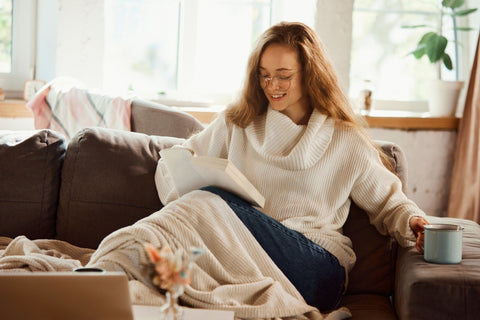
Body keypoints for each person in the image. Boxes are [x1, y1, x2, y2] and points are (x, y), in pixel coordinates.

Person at [155, 21, 429, 312]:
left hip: (317, 269)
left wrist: (414, 223)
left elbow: (391, 204)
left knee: (207, 200)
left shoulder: (346, 141)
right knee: (167, 242)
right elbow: (174, 163)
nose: (272, 86)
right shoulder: (237, 124)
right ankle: (108, 273)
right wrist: (188, 201)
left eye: (283, 76)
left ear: (310, 74)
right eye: (264, 76)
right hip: (245, 257)